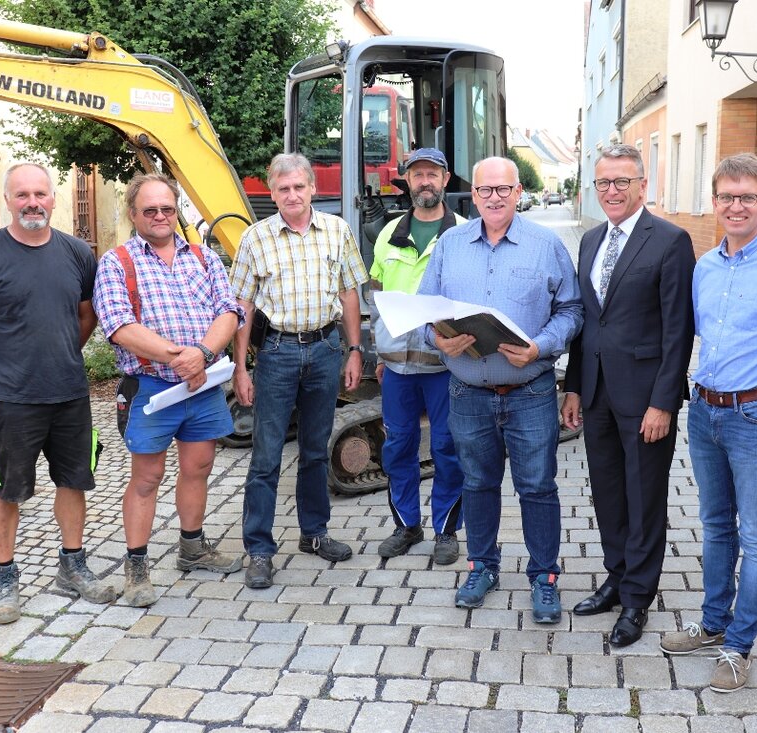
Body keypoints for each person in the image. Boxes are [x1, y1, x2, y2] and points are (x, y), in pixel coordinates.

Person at [659, 154, 757, 692]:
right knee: (715, 525)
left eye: (747, 197)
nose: (736, 206)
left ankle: (739, 645)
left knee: (755, 532)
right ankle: (712, 623)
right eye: (726, 196)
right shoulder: (705, 266)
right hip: (705, 412)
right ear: (715, 200)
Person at [417, 156, 582, 624]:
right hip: (467, 393)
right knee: (477, 484)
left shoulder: (545, 245)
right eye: (485, 190)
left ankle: (544, 577)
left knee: (537, 487)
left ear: (518, 193)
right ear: (473, 194)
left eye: (503, 190)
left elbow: (571, 311)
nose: (494, 197)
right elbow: (427, 312)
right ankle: (482, 567)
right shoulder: (450, 245)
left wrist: (541, 346)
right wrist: (438, 339)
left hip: (529, 391)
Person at [0, 162, 116, 624]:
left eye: (40, 194)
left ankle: (72, 566)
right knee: (7, 490)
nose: (32, 203)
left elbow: (88, 316)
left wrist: (64, 353)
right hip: (11, 398)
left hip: (69, 394)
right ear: (7, 200)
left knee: (74, 481)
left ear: (53, 198)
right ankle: (4, 580)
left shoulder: (76, 253)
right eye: (22, 194)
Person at [561, 143, 695, 647]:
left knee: (645, 499)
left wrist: (664, 401)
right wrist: (573, 386)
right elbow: (585, 323)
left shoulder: (669, 241)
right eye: (603, 183)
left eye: (622, 182)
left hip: (645, 400)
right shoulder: (592, 240)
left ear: (643, 185)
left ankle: (638, 597)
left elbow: (678, 331)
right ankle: (616, 578)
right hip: (595, 393)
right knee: (609, 494)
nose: (612, 191)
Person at [93, 173, 245, 607]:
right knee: (147, 478)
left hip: (203, 387)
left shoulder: (203, 257)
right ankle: (137, 566)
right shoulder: (117, 262)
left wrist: (201, 353)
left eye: (166, 208)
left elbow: (229, 311)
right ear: (133, 214)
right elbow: (119, 325)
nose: (160, 216)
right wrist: (181, 358)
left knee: (198, 467)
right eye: (149, 210)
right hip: (151, 389)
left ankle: (192, 548)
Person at [230, 153, 369, 589]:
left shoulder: (337, 231)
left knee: (314, 448)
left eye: (298, 187)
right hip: (277, 353)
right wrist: (241, 368)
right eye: (282, 189)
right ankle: (259, 548)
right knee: (267, 454)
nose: (291, 195)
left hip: (327, 348)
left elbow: (349, 293)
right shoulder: (255, 239)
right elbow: (242, 308)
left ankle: (314, 534)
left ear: (312, 188)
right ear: (272, 194)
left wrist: (353, 349)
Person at [366, 148, 465, 564]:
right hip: (397, 367)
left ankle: (445, 530)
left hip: (445, 366)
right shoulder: (389, 233)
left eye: (433, 174)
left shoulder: (462, 232)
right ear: (406, 181)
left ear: (445, 180)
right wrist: (379, 351)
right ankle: (407, 525)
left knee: (447, 447)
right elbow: (375, 295)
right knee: (398, 447)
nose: (425, 181)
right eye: (417, 174)